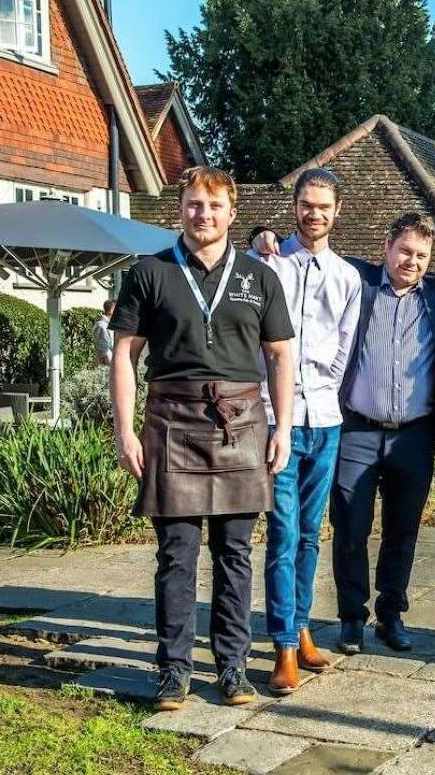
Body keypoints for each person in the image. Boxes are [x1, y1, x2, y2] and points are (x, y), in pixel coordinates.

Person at [250, 214, 435, 654]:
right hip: (357, 429)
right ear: (387, 247)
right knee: (350, 527)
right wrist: (263, 236)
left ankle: (391, 614)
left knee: (403, 529)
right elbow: (309, 249)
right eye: (405, 251)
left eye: (421, 255)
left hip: (414, 435)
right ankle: (352, 618)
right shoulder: (358, 278)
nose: (412, 261)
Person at [108, 166, 296, 710]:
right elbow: (125, 354)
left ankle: (233, 668)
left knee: (236, 553)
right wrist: (125, 429)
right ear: (180, 210)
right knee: (177, 554)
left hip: (242, 424)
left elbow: (280, 354)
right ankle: (173, 671)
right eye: (194, 204)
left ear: (232, 213)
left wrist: (282, 427)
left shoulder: (260, 277)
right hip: (172, 422)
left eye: (214, 206)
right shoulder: (149, 272)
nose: (203, 214)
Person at [247, 168, 362, 695]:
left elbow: (344, 347)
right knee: (284, 534)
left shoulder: (347, 277)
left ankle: (303, 626)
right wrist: (280, 402)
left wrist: (322, 394)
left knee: (313, 534)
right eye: (306, 204)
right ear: (293, 206)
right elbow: (255, 338)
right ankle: (284, 648)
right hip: (277, 420)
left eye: (324, 206)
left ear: (337, 212)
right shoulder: (266, 264)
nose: (314, 213)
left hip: (326, 421)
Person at [94, 300, 116, 365]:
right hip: (108, 366)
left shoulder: (110, 323)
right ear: (111, 310)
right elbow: (104, 351)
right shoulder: (101, 325)